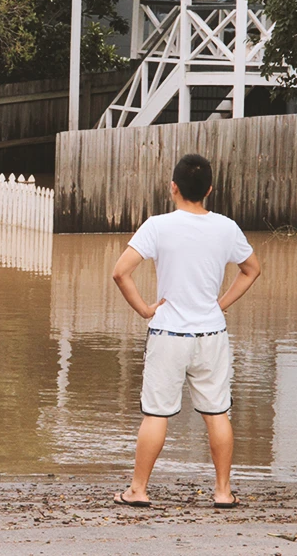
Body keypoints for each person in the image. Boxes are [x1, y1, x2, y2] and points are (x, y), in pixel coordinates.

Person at [110, 153, 261, 509]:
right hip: (211, 334)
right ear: (209, 189)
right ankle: (223, 492)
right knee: (217, 413)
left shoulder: (158, 225)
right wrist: (219, 305)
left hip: (168, 334)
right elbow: (252, 269)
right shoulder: (226, 227)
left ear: (173, 188)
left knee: (157, 413)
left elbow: (120, 272)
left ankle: (138, 490)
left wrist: (146, 309)